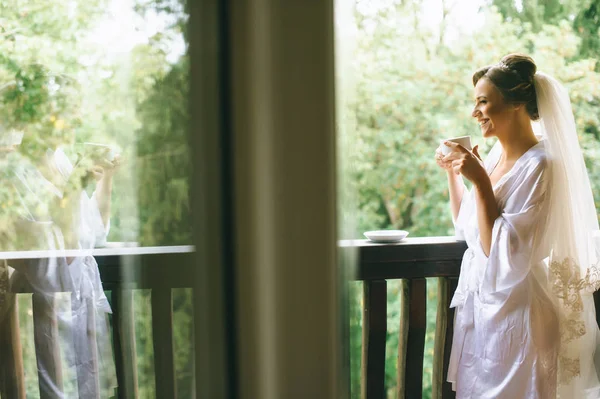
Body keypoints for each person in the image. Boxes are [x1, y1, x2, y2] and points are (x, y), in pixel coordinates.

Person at [435, 53, 600, 398]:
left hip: (522, 314)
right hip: (484, 313)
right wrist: (456, 176)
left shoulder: (542, 165)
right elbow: (470, 227)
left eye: (483, 101)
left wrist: (480, 181)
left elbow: (508, 252)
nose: (474, 112)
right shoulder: (494, 157)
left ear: (515, 104)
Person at [1, 142, 119, 398]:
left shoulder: (59, 158)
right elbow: (50, 264)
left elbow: (94, 233)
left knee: (85, 388)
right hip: (41, 305)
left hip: (79, 301)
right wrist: (75, 185)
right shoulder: (10, 170)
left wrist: (105, 178)